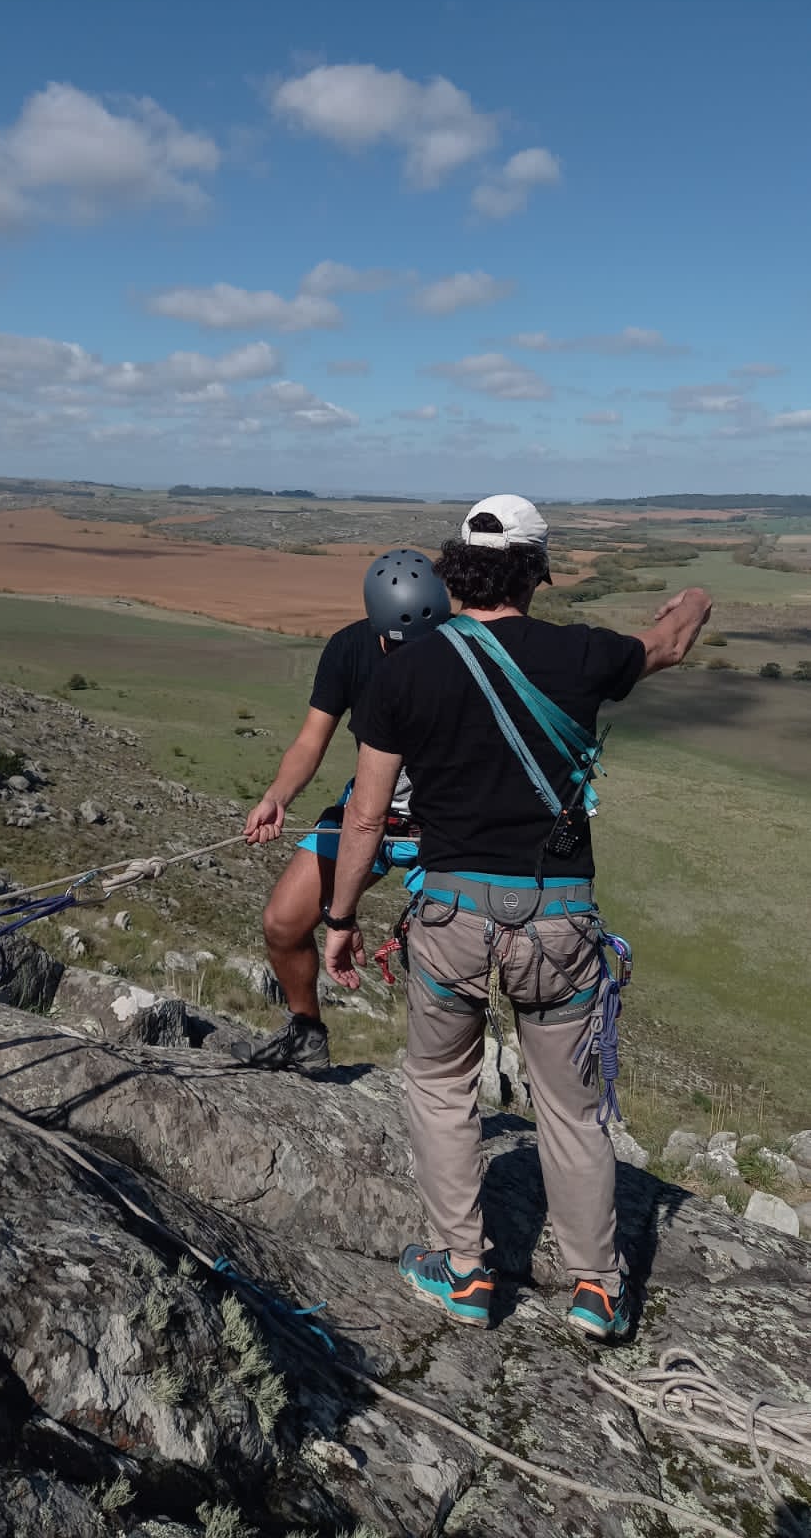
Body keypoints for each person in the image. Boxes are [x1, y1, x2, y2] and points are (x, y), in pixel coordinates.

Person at [323, 494, 712, 1339]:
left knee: (440, 1086)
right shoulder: (584, 655)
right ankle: (596, 1287)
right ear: (536, 572)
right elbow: (674, 639)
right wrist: (695, 597)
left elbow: (365, 816)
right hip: (559, 922)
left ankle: (465, 1272)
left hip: (450, 918)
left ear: (454, 571)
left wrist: (341, 917)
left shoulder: (404, 673)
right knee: (570, 1108)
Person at [237, 549, 451, 1075]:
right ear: (379, 631)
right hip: (368, 810)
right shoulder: (350, 648)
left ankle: (439, 1077)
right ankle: (306, 1033)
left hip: (445, 823)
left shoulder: (463, 650)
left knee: (443, 957)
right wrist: (278, 797)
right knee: (283, 923)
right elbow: (312, 740)